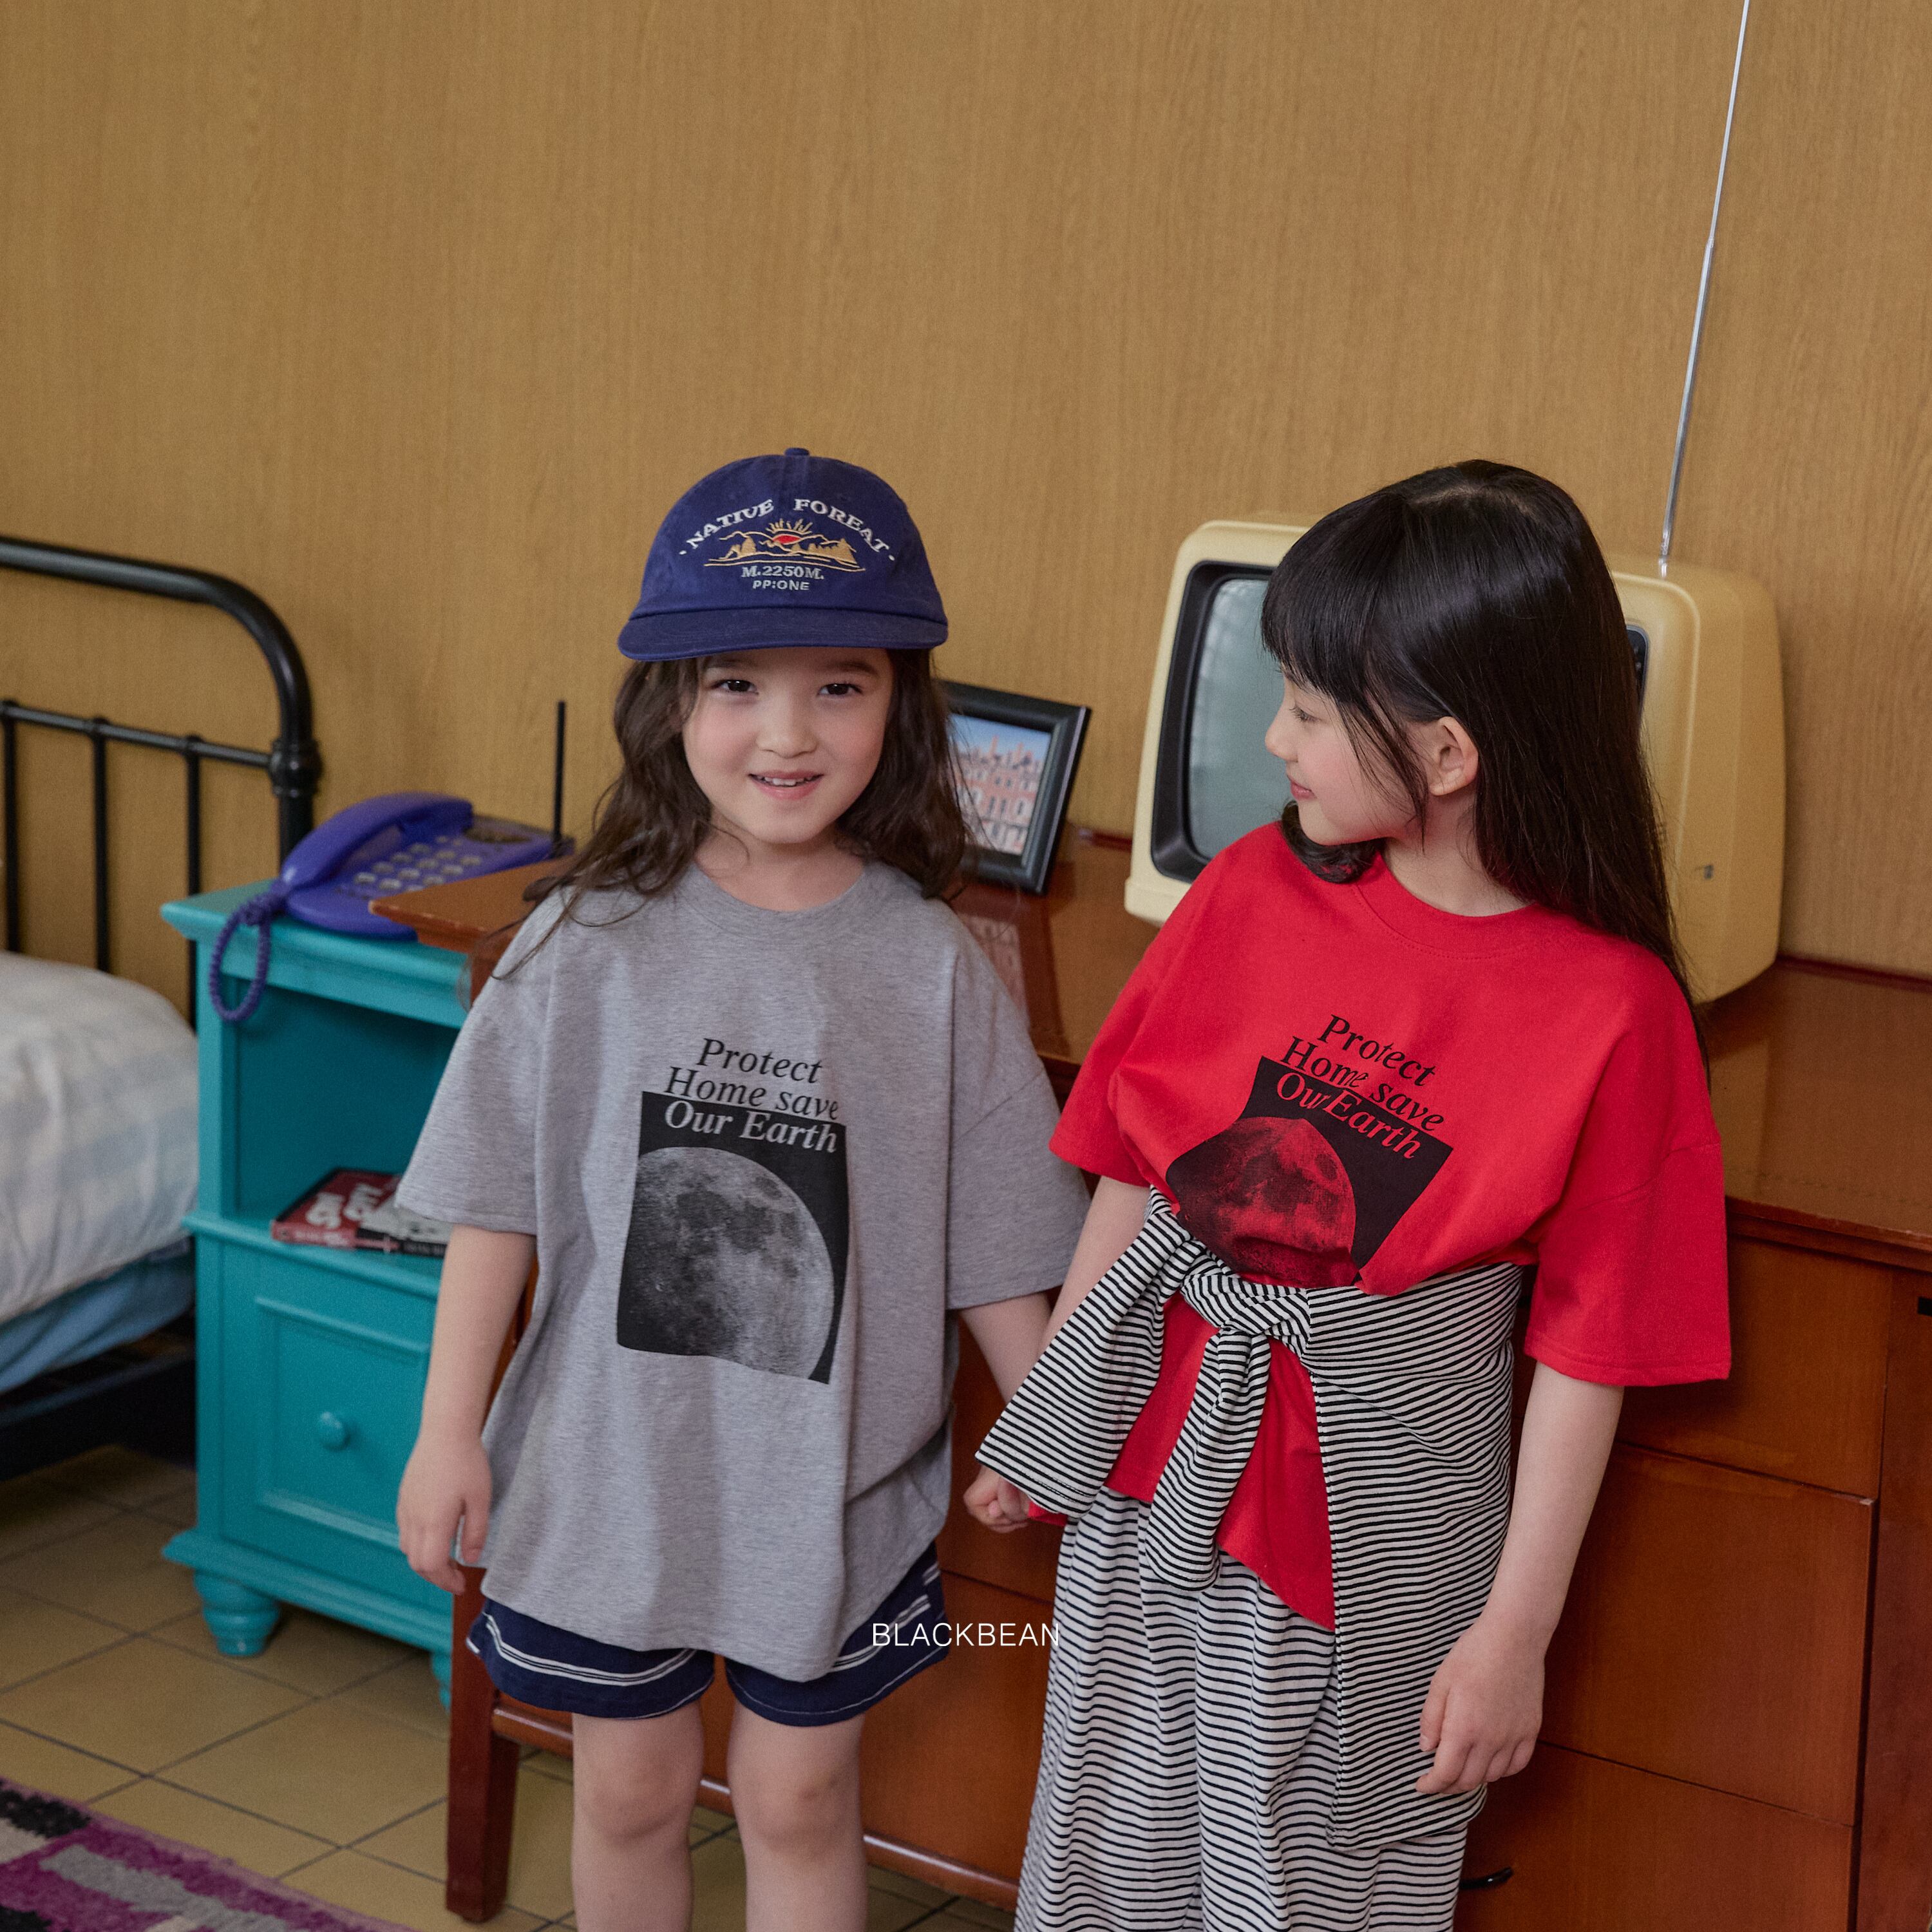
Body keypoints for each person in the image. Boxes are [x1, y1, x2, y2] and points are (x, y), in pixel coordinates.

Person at [967, 461, 1731, 1932]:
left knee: (1314, 1885)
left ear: (1447, 753)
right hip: (1154, 1488)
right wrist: (1055, 1422)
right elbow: (1136, 1173)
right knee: (1107, 1859)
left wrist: (1514, 1637)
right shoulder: (1251, 890)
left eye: (1312, 710)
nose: (1276, 739)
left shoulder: (1615, 1012)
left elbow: (1589, 1357)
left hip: (1369, 1545)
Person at [395, 448, 1091, 1932]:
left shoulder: (934, 964)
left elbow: (994, 1247)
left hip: (836, 1493)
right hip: (606, 1480)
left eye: (838, 686)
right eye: (737, 686)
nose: (787, 732)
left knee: (798, 1800)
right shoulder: (583, 940)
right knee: (631, 1793)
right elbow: (494, 1206)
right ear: (670, 704)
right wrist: (448, 1429)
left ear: (901, 706)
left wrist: (1056, 1438)